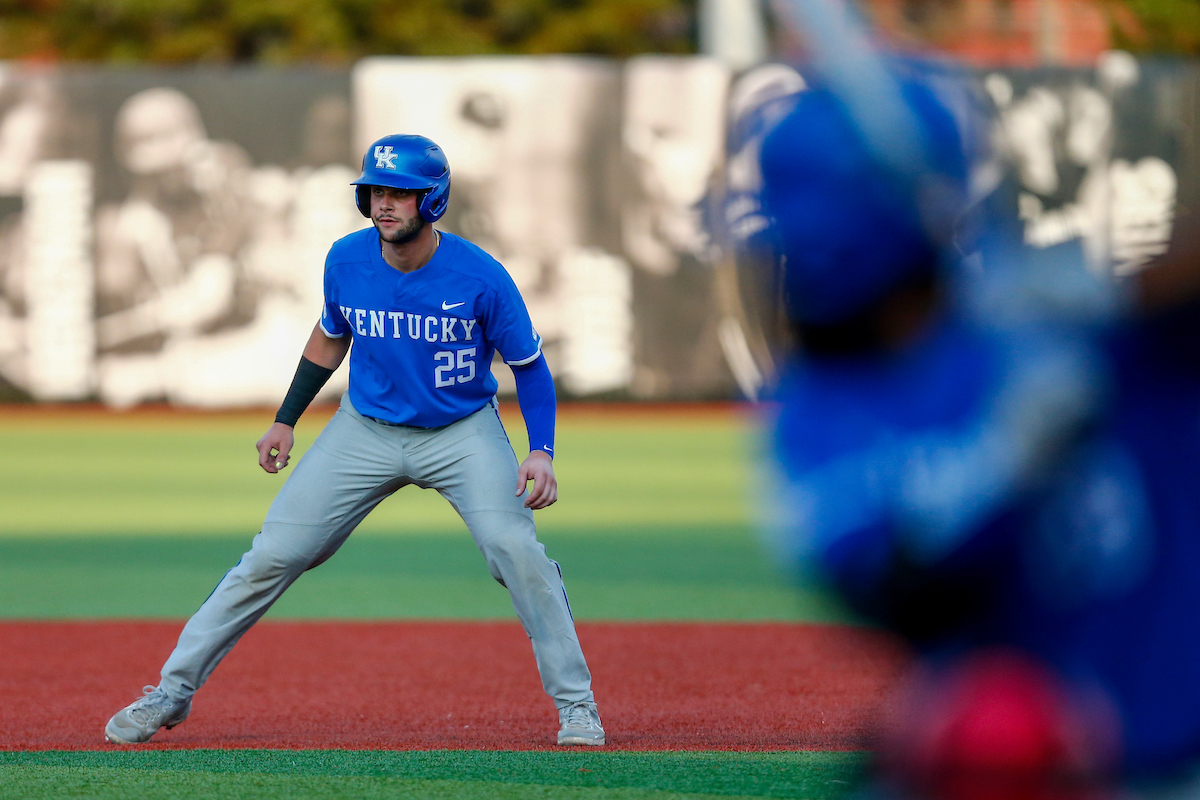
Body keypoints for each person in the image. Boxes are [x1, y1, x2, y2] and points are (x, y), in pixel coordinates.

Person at [751, 70, 1200, 797]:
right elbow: (894, 591)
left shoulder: (1069, 331)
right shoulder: (817, 411)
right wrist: (1004, 456)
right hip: (1006, 754)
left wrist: (1111, 296)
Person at [103, 133, 605, 748]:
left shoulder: (481, 276)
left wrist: (541, 451)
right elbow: (330, 336)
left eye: (400, 193)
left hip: (460, 431)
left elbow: (528, 366)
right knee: (272, 556)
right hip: (364, 429)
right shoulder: (346, 259)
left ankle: (577, 706)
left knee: (516, 551)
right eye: (374, 191)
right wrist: (287, 417)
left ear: (435, 200)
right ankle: (170, 693)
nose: (384, 203)